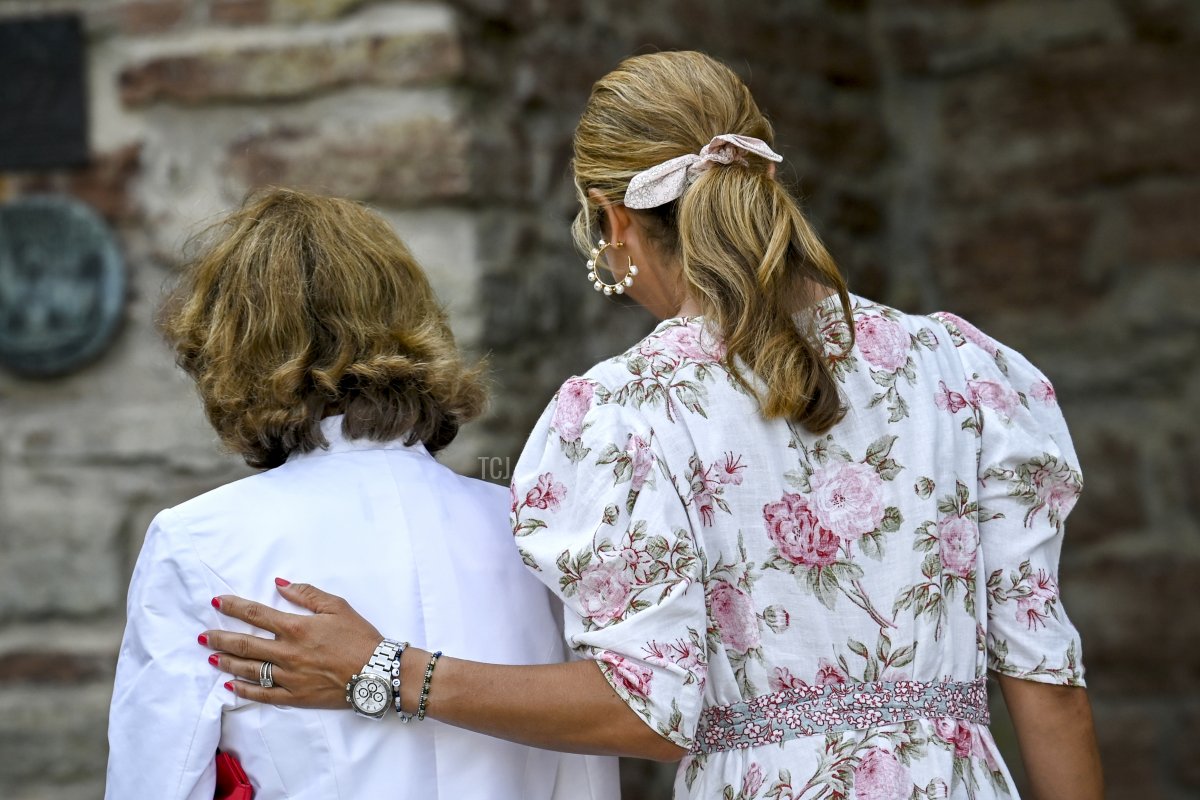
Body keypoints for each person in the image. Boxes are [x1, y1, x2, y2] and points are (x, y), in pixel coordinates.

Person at [199, 52, 1103, 799]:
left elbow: (644, 714)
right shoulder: (969, 373)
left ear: (614, 223)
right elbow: (1047, 685)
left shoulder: (623, 414)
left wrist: (386, 670)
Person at [105, 188, 619, 800]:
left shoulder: (197, 544)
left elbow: (156, 781)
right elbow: (586, 775)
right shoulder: (531, 529)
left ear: (227, 350)